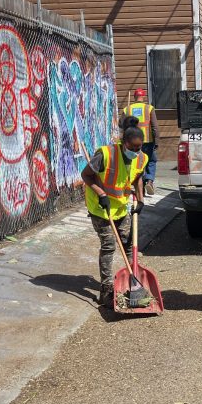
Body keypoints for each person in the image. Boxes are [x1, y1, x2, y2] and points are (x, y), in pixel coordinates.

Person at [81, 125, 147, 307]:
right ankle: (106, 289)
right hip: (101, 208)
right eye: (132, 148)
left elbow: (138, 177)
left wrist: (140, 200)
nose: (135, 151)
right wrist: (101, 194)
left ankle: (133, 283)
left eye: (138, 147)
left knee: (127, 243)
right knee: (109, 245)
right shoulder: (106, 154)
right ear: (123, 143)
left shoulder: (141, 158)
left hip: (121, 207)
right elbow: (86, 175)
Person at [124, 89, 158, 196]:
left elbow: (122, 126)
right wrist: (157, 140)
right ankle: (149, 181)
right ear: (143, 97)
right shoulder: (149, 108)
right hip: (147, 140)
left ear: (134, 97)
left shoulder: (127, 110)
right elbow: (155, 127)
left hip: (132, 142)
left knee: (137, 163)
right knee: (150, 161)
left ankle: (140, 188)